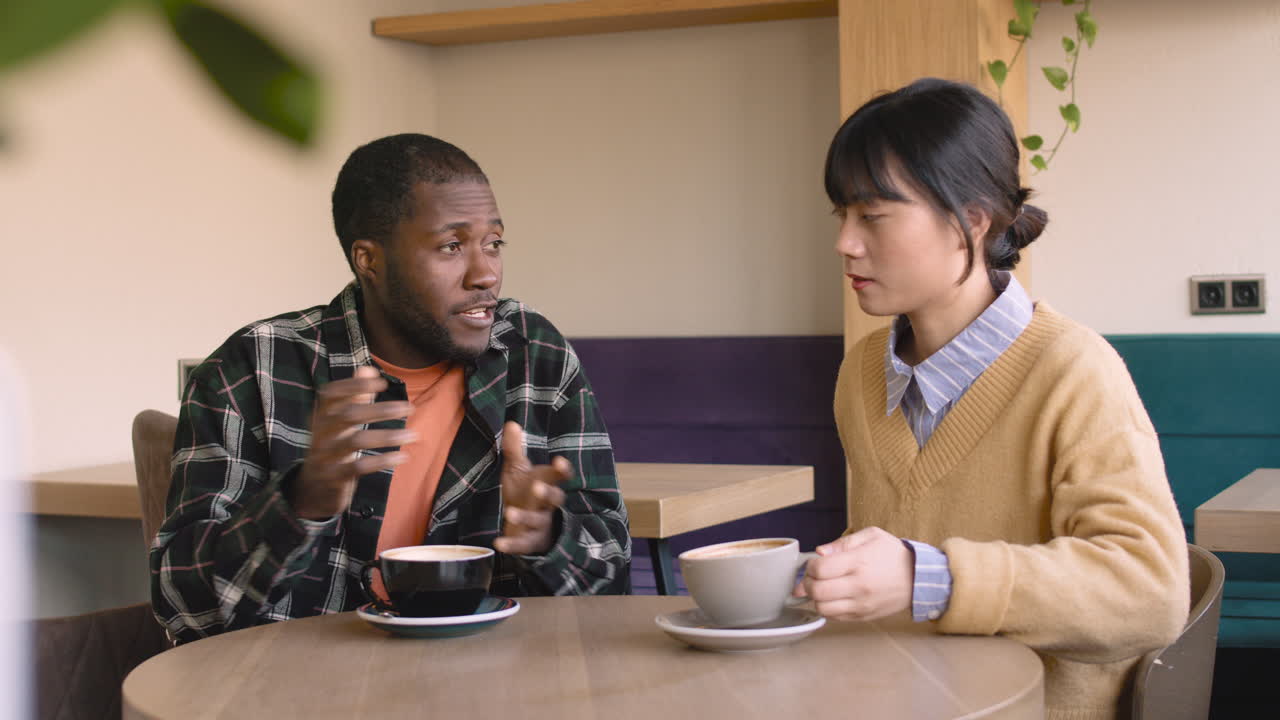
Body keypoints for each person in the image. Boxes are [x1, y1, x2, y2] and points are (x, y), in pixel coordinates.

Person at [795, 78, 1188, 719]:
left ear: (971, 221)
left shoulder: (1074, 370)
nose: (845, 241)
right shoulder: (862, 373)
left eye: (871, 215)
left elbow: (1150, 592)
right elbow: (897, 547)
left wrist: (930, 579)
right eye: (841, 214)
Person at [151, 134, 631, 644]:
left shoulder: (535, 355)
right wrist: (299, 503)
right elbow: (184, 609)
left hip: (489, 686)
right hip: (299, 691)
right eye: (451, 246)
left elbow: (613, 575)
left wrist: (547, 538)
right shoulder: (254, 366)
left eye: (493, 243)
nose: (486, 273)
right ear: (369, 261)